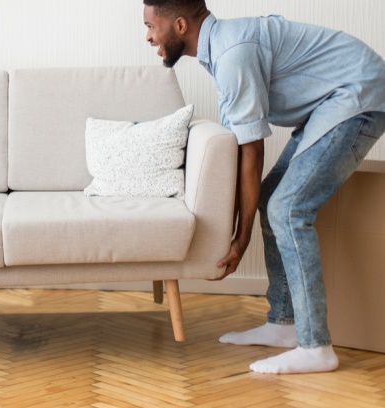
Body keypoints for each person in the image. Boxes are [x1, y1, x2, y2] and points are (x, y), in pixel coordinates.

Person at [142, 0, 385, 374]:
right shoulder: (221, 50)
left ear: (178, 25)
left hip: (359, 96)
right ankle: (284, 323)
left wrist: (241, 238)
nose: (147, 37)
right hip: (333, 102)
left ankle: (315, 345)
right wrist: (238, 230)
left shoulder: (231, 54)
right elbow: (243, 146)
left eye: (150, 26)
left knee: (287, 209)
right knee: (274, 198)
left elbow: (251, 151)